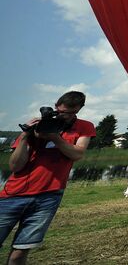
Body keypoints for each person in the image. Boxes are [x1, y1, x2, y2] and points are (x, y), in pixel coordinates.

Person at [0, 91, 95, 265]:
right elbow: (15, 166)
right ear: (56, 106)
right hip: (12, 195)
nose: (64, 116)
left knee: (21, 251)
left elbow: (77, 154)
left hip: (48, 196)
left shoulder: (84, 126)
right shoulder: (38, 126)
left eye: (70, 113)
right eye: (61, 112)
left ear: (79, 110)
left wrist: (55, 138)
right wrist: (24, 136)